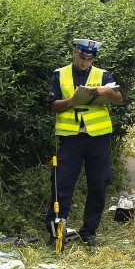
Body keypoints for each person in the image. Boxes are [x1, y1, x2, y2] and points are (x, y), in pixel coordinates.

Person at [46, 38, 123, 248]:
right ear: (74, 52)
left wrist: (108, 91)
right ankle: (57, 233)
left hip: (98, 138)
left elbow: (119, 100)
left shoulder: (103, 75)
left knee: (98, 184)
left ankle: (88, 232)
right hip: (70, 138)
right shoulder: (60, 74)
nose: (85, 62)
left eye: (89, 59)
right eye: (82, 57)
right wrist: (71, 101)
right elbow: (52, 105)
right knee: (61, 185)